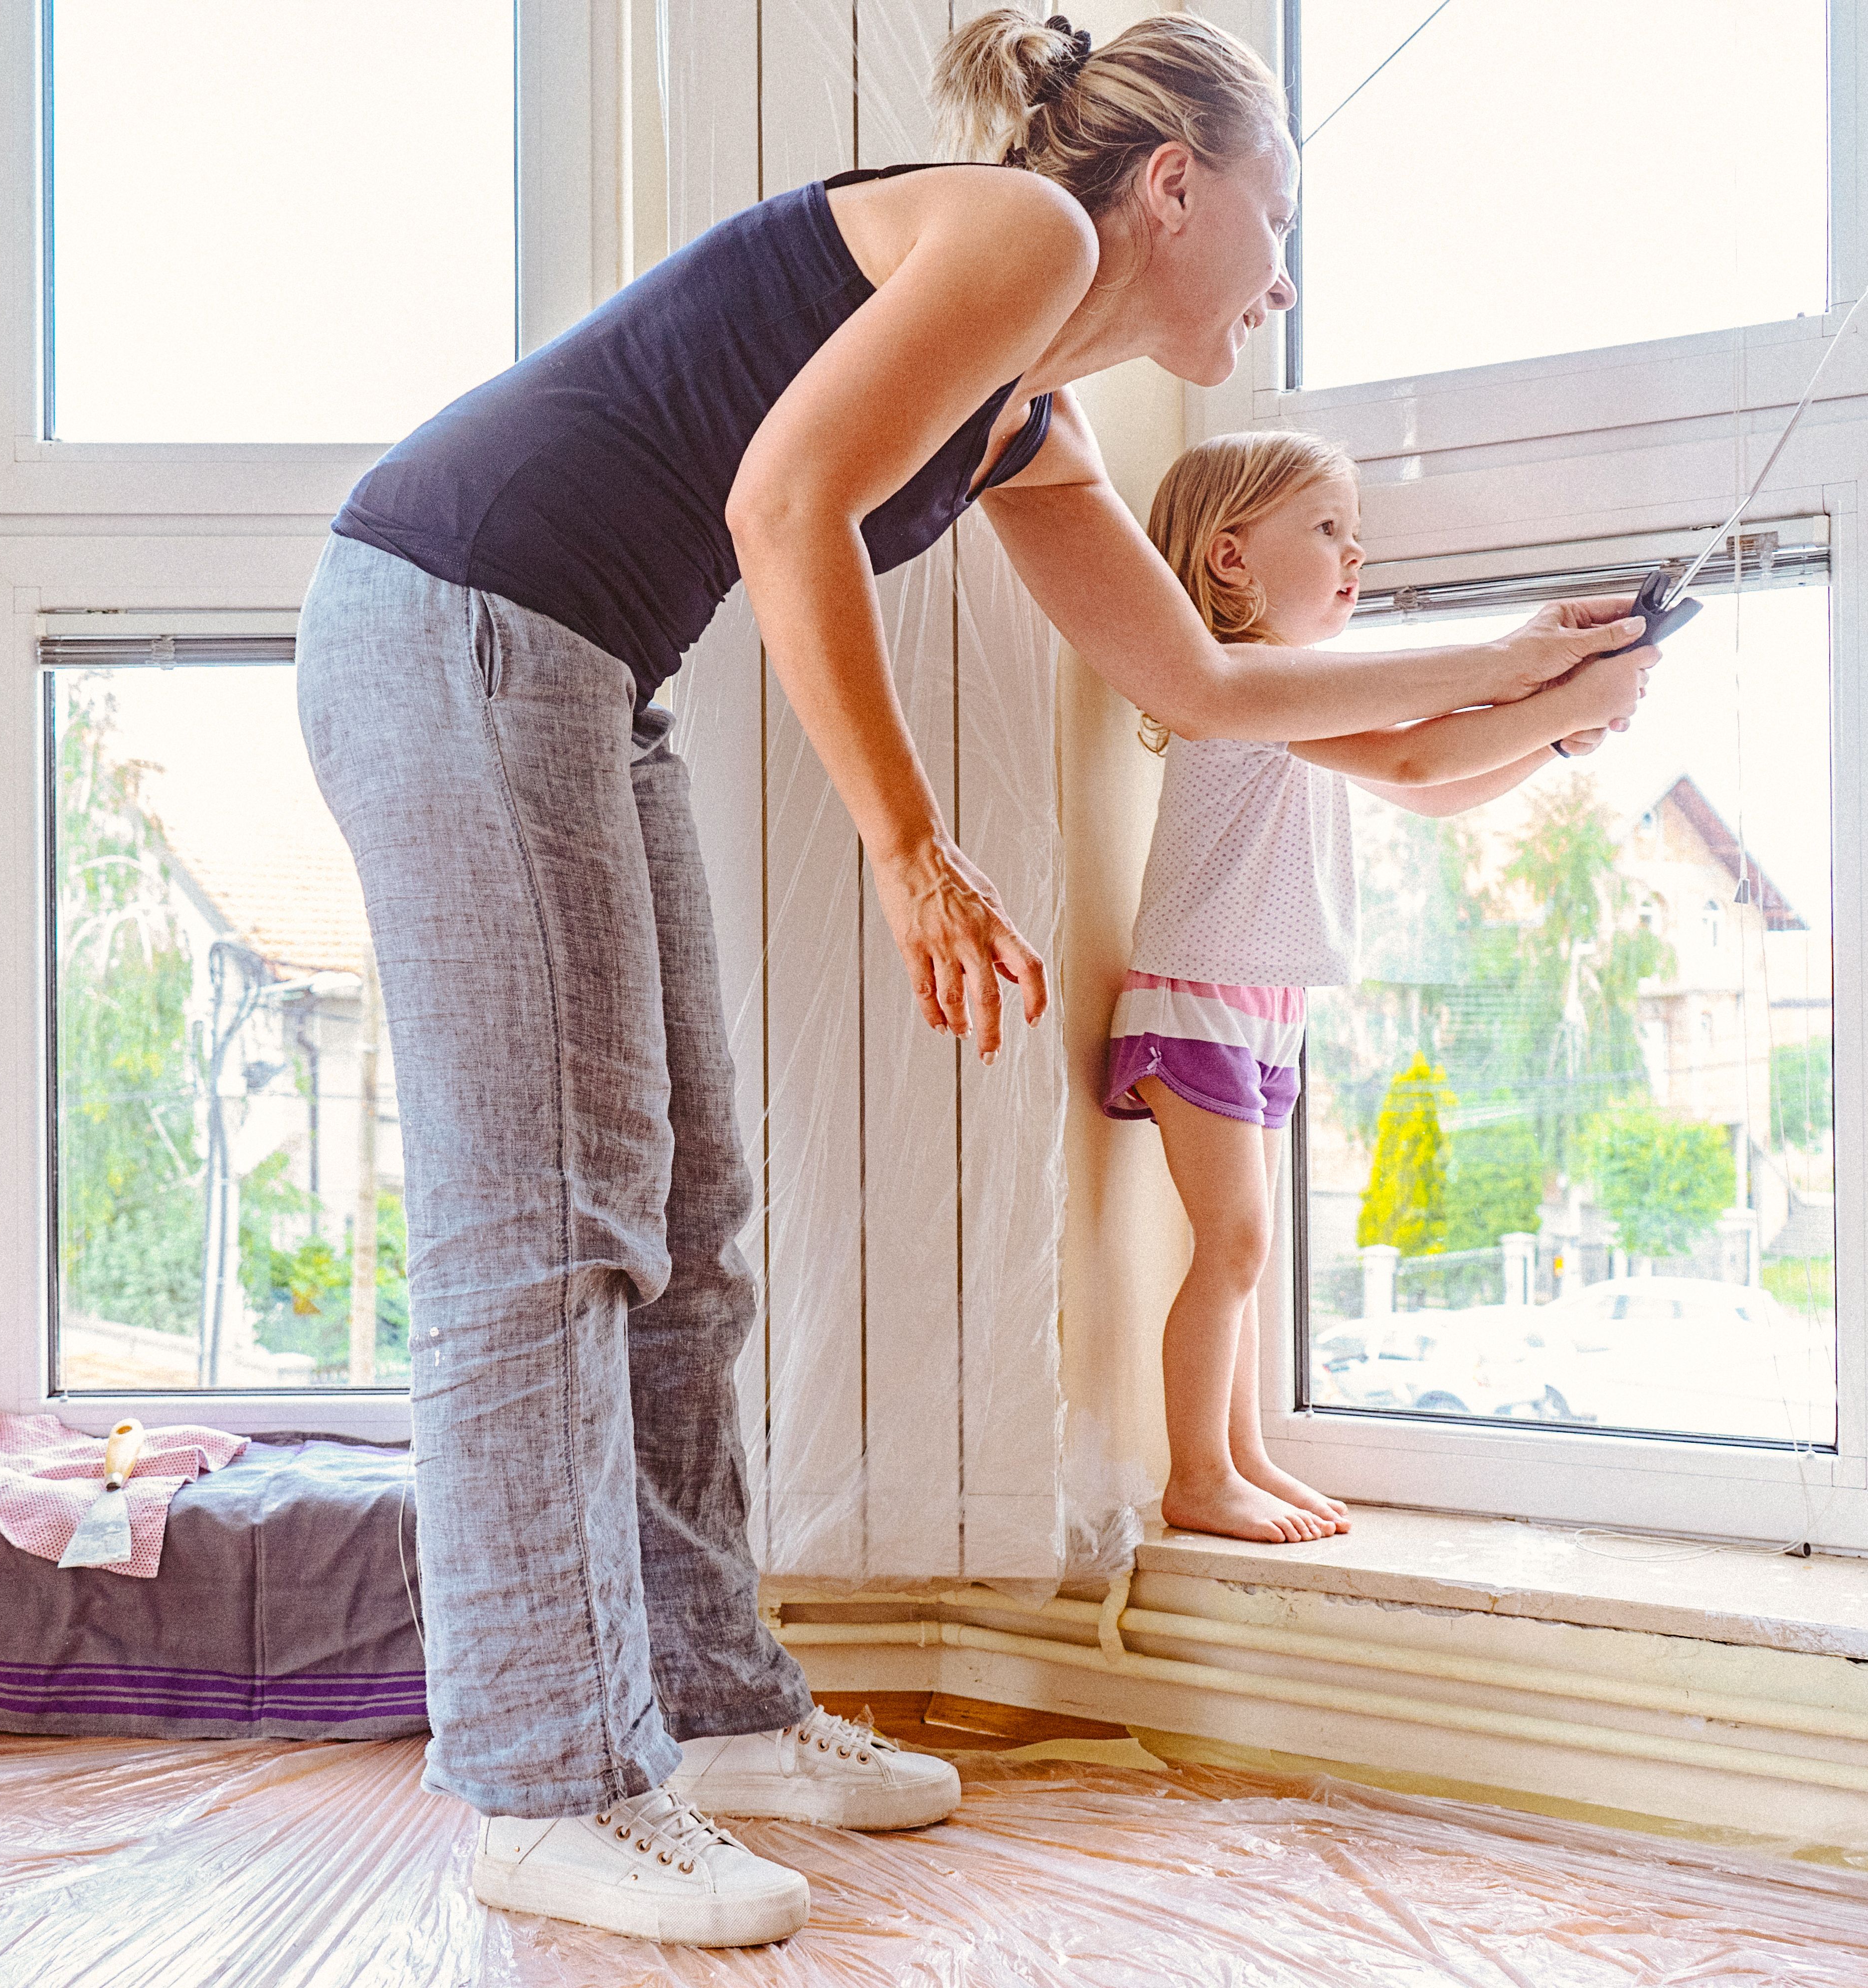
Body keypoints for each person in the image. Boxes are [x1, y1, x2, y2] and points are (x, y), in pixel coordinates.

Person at [295, 5, 1658, 1948]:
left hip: (576, 663)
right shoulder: (1021, 231)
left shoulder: (1033, 415)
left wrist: (1521, 676)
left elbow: (1206, 683)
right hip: (454, 618)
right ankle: (550, 1784)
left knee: (688, 1220)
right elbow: (785, 502)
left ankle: (709, 1705)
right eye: (1277, 219)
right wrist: (910, 845)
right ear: (1170, 186)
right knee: (549, 1224)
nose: (1283, 278)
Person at [1107, 431, 1643, 1550]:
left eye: (1356, 533)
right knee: (1236, 1245)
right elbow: (1418, 761)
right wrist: (1558, 707)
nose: (1356, 554)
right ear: (1231, 557)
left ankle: (1239, 1455)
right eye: (1328, 529)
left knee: (1245, 1250)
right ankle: (1198, 1473)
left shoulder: (1284, 698)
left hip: (1261, 1003)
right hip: (1201, 997)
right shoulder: (1243, 685)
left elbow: (1429, 781)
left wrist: (1557, 738)